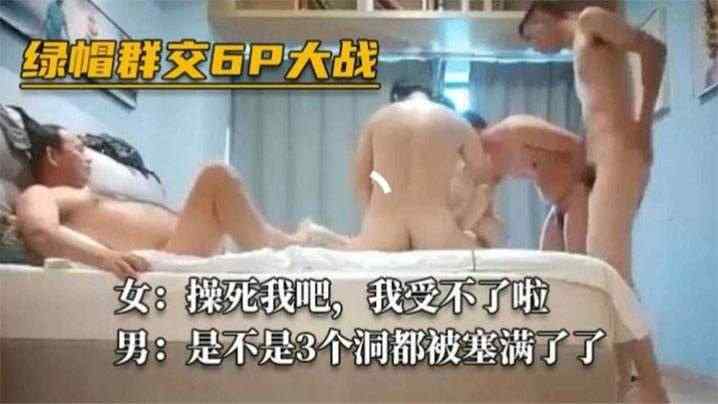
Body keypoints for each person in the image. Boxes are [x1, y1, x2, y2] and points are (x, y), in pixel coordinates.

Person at [519, 1, 668, 401]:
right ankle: (620, 383)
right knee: (605, 273)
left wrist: (644, 125)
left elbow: (654, 49)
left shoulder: (590, 20)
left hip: (622, 153)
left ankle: (652, 387)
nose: (535, 48)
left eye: (531, 38)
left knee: (608, 272)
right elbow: (599, 108)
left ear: (541, 18)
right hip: (602, 161)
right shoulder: (580, 48)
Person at [15, 123, 303, 279]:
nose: (88, 158)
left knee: (269, 228)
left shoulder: (90, 193)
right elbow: (40, 231)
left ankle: (296, 245)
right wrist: (105, 257)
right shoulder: (40, 193)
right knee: (216, 175)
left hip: (185, 245)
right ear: (52, 155)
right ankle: (287, 253)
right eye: (78, 149)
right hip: (166, 258)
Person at [349, 91, 489, 250]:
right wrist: (462, 224)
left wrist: (375, 218)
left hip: (383, 229)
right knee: (486, 242)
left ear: (396, 99)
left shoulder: (376, 120)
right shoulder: (458, 122)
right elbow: (483, 187)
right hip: (436, 229)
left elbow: (362, 184)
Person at [467, 113, 589, 253]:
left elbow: (577, 146)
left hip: (576, 196)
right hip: (557, 206)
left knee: (578, 261)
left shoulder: (515, 130)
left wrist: (586, 188)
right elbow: (486, 208)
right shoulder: (486, 163)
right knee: (548, 263)